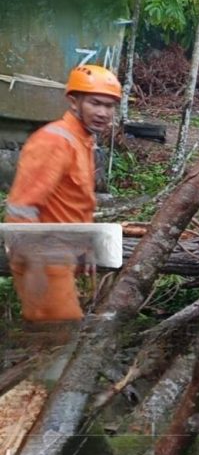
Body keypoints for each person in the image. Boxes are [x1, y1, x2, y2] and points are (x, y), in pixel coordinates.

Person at [5, 64, 121, 322]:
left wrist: (86, 244)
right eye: (96, 103)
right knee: (56, 340)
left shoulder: (82, 140)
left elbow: (75, 203)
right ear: (73, 101)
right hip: (43, 260)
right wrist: (35, 267)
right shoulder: (54, 141)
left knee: (54, 343)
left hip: (61, 257)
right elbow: (21, 208)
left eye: (110, 105)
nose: (104, 112)